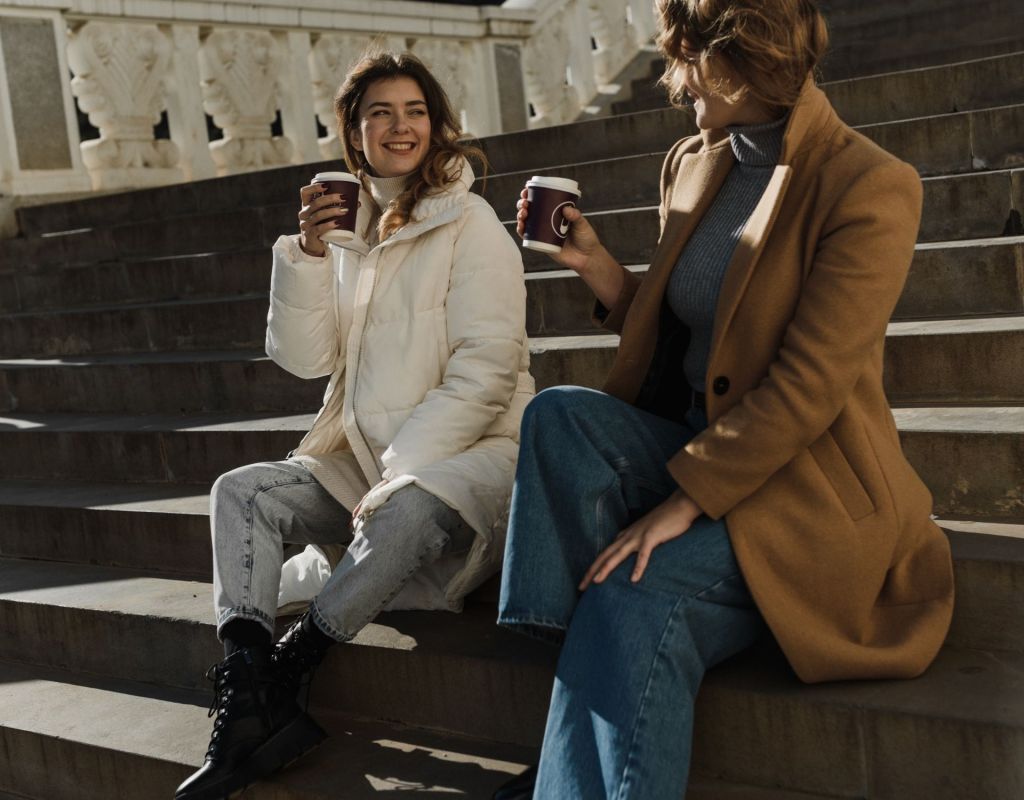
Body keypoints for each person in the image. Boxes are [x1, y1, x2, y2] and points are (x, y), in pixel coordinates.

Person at [493, 0, 955, 797]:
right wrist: (598, 267)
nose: (674, 79)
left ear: (749, 61)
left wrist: (683, 504)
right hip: (698, 443)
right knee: (557, 417)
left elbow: (809, 385)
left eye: (688, 57)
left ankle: (592, 709)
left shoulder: (868, 185)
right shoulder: (693, 162)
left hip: (803, 490)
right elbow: (685, 338)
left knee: (629, 594)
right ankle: (582, 688)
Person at [175, 51, 533, 800]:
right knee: (242, 492)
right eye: (381, 112)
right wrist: (307, 256)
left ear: (436, 127)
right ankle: (249, 687)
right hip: (362, 458)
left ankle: (287, 670)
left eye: (414, 111)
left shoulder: (472, 223)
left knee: (406, 505)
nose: (400, 126)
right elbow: (303, 361)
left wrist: (404, 467)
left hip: (475, 451)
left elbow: (489, 368)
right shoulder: (347, 227)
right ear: (354, 131)